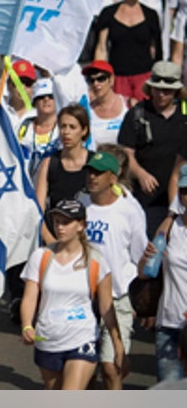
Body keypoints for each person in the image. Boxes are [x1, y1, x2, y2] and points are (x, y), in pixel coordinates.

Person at [19, 198, 123, 390]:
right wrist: (26, 325)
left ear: (81, 225)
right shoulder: (40, 257)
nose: (60, 227)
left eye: (66, 222)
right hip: (48, 340)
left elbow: (107, 308)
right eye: (57, 221)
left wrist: (118, 343)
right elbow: (29, 298)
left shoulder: (96, 261)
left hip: (82, 338)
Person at [76, 150, 147, 389]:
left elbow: (139, 256)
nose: (92, 178)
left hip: (118, 296)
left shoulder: (130, 209)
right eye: (89, 172)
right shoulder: (81, 204)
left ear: (113, 178)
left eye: (98, 173)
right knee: (83, 368)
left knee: (111, 367)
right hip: (83, 298)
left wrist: (139, 298)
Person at [118, 61, 187, 233]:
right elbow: (126, 152)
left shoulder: (184, 115)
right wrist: (140, 174)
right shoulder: (137, 114)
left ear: (177, 91)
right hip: (147, 199)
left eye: (167, 91)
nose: (162, 94)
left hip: (181, 199)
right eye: (158, 89)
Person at [139, 169, 187, 383]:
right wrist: (146, 257)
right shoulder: (170, 228)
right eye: (184, 190)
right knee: (169, 393)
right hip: (169, 323)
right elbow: (144, 272)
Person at [96, 0, 163, 104]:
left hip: (144, 76)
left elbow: (155, 49)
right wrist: (99, 76)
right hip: (117, 76)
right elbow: (101, 47)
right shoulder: (108, 13)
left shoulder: (151, 15)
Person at [35, 104, 94, 240]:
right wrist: (51, 241)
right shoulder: (49, 163)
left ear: (84, 130)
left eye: (72, 127)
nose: (66, 132)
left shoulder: (94, 163)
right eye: (63, 126)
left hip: (88, 239)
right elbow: (38, 210)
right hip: (55, 238)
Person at [18, 78, 61, 179]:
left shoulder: (64, 127)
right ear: (34, 102)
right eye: (41, 97)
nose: (46, 99)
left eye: (51, 96)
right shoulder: (22, 126)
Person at [83, 60, 128, 147]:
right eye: (91, 80)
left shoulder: (128, 104)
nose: (96, 84)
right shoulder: (86, 110)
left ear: (111, 79)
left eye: (101, 79)